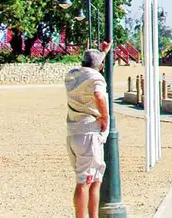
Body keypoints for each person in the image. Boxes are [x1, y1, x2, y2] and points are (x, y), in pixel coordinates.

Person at [65, 42, 111, 218]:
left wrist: (103, 52)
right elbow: (98, 94)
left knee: (94, 179)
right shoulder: (96, 78)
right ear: (99, 66)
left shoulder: (72, 75)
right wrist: (105, 117)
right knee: (85, 181)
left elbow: (92, 67)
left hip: (74, 131)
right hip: (89, 133)